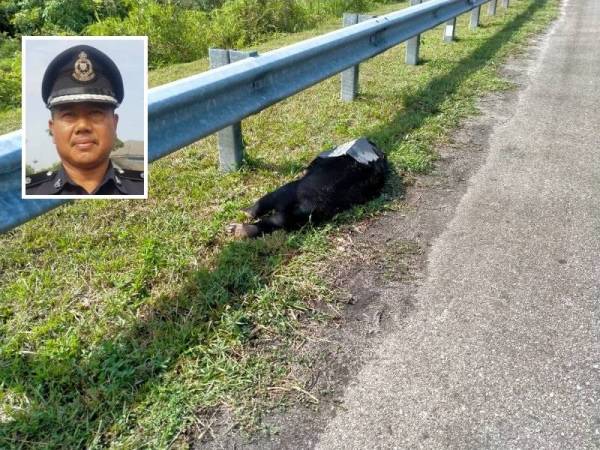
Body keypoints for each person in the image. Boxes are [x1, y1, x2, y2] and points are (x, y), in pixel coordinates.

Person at [26, 44, 144, 195]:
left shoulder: (141, 188)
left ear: (114, 124)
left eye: (95, 113)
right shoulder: (30, 195)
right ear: (52, 129)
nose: (82, 126)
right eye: (68, 115)